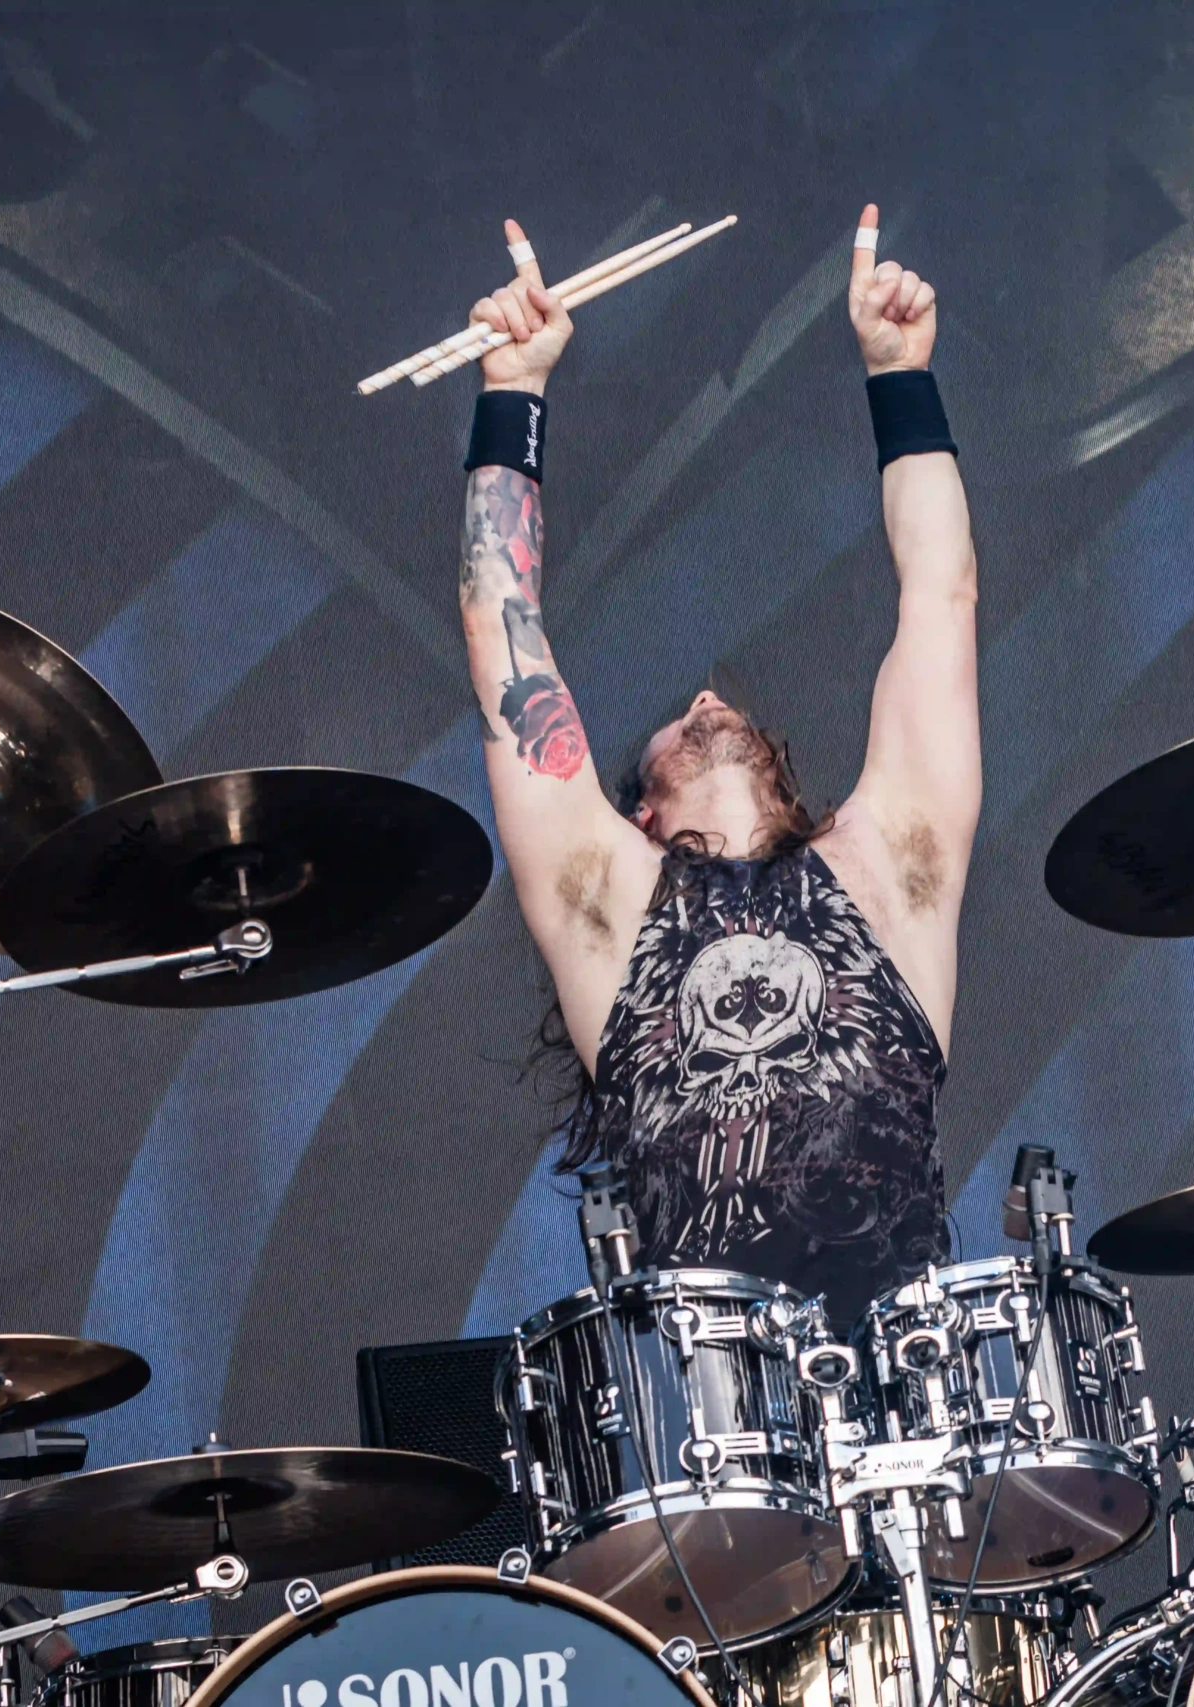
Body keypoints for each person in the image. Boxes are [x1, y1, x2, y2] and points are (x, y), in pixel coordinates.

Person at [454, 204, 978, 1320]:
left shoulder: (887, 867)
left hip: (912, 1383)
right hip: (715, 1403)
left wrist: (899, 375)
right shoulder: (609, 902)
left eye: (715, 699)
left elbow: (942, 596)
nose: (704, 698)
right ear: (636, 811)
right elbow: (504, 629)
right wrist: (514, 391)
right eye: (676, 714)